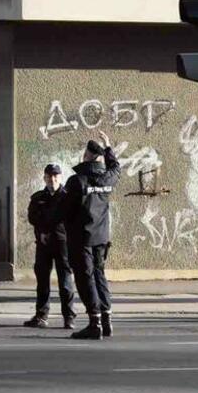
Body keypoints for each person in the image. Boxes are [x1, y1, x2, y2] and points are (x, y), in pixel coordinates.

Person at [64, 131, 120, 340]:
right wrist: (108, 148)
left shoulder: (77, 181)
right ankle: (106, 321)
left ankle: (94, 323)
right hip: (101, 237)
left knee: (85, 278)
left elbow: (64, 211)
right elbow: (116, 168)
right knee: (99, 275)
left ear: (86, 156)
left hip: (82, 239)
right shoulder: (108, 178)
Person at [24, 163, 77, 330]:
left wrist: (52, 231)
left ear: (60, 177)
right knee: (42, 281)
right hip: (43, 244)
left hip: (62, 244)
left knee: (65, 281)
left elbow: (70, 219)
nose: (52, 179)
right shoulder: (38, 197)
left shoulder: (67, 197)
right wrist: (43, 231)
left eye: (55, 176)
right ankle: (41, 315)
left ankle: (69, 317)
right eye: (49, 176)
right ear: (44, 178)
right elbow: (33, 217)